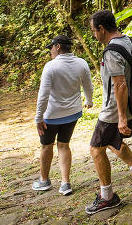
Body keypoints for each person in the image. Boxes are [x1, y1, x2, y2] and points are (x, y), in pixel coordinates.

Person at [86, 10, 132, 215]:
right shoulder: (128, 41)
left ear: (102, 29)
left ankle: (107, 197)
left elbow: (120, 84)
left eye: (93, 31)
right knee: (113, 143)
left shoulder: (112, 52)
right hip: (131, 103)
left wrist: (122, 117)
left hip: (115, 109)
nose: (93, 35)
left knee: (96, 149)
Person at [33, 34, 94, 196]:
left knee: (47, 146)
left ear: (58, 46)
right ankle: (65, 183)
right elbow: (88, 84)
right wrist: (89, 100)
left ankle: (44, 181)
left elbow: (43, 95)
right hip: (72, 113)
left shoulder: (51, 67)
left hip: (51, 116)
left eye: (51, 48)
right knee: (63, 145)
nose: (50, 51)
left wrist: (39, 118)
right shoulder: (81, 63)